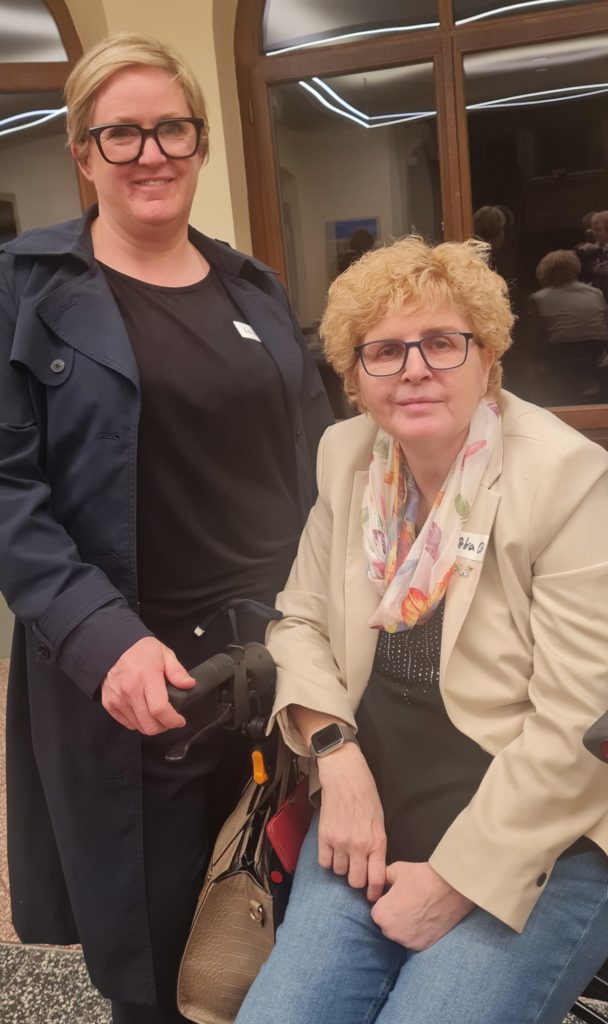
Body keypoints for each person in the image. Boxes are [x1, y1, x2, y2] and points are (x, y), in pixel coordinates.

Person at [0, 33, 332, 1024]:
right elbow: (8, 489)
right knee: (158, 963)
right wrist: (102, 637)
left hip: (277, 661)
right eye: (122, 133)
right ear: (83, 149)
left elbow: (318, 460)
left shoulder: (251, 286)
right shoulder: (23, 289)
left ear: (199, 143)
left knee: (282, 925)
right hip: (140, 684)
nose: (150, 153)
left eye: (171, 129)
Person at [235, 236, 608, 1024]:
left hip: (542, 836)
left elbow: (579, 724)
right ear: (355, 375)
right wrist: (335, 756)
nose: (414, 369)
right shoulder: (349, 457)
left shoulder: (565, 479)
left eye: (442, 342)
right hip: (372, 811)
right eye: (384, 351)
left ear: (487, 356)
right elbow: (298, 620)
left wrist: (454, 881)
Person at [529, 248, 608, 403]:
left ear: (543, 272)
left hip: (558, 363)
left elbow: (533, 338)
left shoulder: (538, 299)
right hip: (597, 359)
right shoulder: (595, 293)